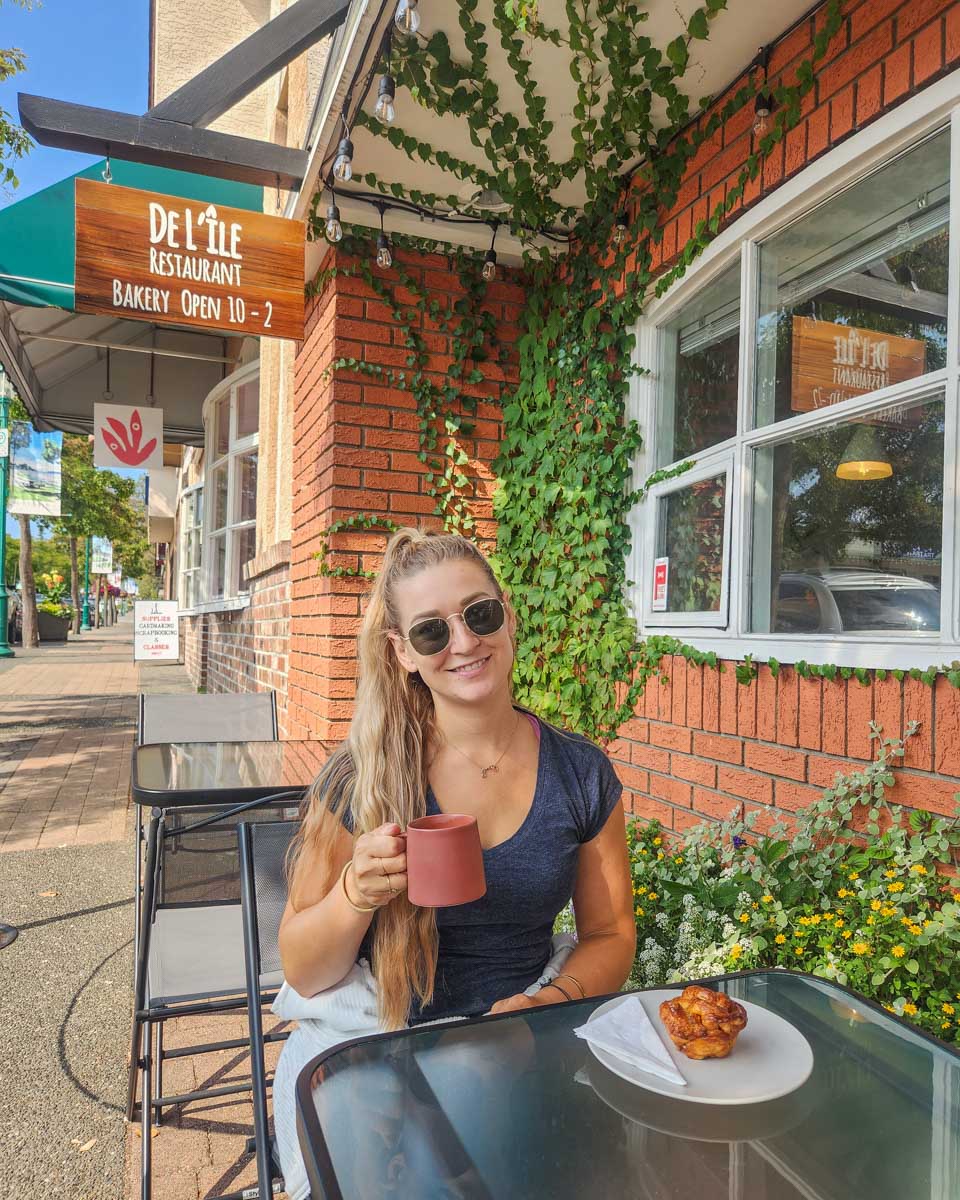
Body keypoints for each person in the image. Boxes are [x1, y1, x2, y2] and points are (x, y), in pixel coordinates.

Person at [272, 527, 637, 1199]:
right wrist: (356, 892)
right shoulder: (363, 778)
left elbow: (611, 935)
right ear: (403, 653)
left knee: (475, 1096)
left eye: (479, 614)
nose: (465, 642)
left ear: (507, 613)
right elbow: (303, 966)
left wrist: (539, 1008)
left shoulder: (580, 773)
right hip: (372, 1040)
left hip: (515, 1035)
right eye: (432, 631)